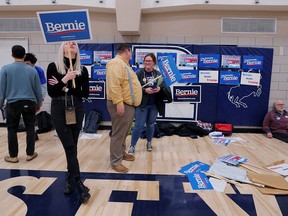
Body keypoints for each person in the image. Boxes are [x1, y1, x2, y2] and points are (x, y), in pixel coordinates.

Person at [46, 41, 90, 203]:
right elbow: (52, 92)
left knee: (73, 144)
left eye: (74, 43)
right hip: (59, 107)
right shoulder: (53, 67)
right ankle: (78, 182)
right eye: (68, 43)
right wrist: (65, 78)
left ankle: (70, 177)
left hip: (76, 107)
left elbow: (84, 93)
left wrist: (63, 87)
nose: (71, 45)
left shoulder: (83, 70)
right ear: (62, 48)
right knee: (69, 145)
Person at [0, 45, 42, 163]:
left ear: (12, 55)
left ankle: (13, 156)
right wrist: (39, 103)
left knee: (12, 129)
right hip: (29, 102)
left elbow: (1, 90)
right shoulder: (32, 70)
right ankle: (30, 153)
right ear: (24, 56)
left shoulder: (5, 69)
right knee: (30, 127)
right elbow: (37, 90)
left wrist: (0, 104)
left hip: (12, 103)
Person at [106, 43, 142, 173]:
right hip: (121, 105)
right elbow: (113, 84)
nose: (131, 55)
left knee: (123, 132)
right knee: (118, 133)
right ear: (127, 51)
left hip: (127, 105)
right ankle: (115, 162)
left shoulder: (124, 64)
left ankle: (121, 153)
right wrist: (119, 103)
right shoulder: (116, 63)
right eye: (131, 52)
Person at [128, 53, 172, 155]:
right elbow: (133, 89)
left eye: (149, 61)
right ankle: (132, 145)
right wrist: (144, 90)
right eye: (146, 61)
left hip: (154, 105)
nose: (147, 63)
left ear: (154, 63)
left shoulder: (158, 74)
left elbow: (165, 88)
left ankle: (149, 142)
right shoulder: (138, 74)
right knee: (138, 126)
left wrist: (160, 89)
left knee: (151, 125)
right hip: (142, 105)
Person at [23, 53, 47, 140]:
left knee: (32, 117)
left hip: (33, 98)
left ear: (33, 64)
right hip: (21, 97)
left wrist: (41, 100)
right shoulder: (19, 70)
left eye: (27, 64)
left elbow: (43, 86)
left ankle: (33, 134)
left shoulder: (39, 71)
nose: (25, 66)